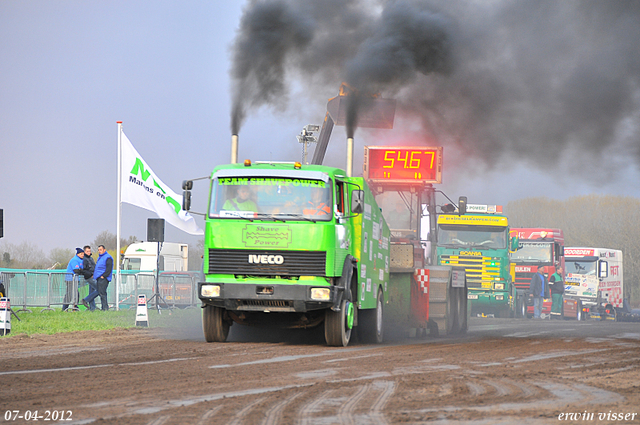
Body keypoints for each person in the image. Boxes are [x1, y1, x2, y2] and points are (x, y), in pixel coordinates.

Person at [86, 245, 113, 311]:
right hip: (98, 278)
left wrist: (104, 276)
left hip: (104, 278)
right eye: (98, 250)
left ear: (104, 250)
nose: (99, 251)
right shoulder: (100, 258)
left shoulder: (108, 257)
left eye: (100, 250)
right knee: (101, 293)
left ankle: (104, 308)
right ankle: (104, 307)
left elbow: (109, 269)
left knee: (102, 293)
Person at [79, 246, 97, 311]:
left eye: (89, 251)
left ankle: (92, 308)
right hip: (89, 277)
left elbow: (94, 267)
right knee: (99, 289)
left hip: (94, 276)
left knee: (92, 292)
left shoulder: (91, 259)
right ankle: (86, 299)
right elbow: (84, 270)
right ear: (84, 252)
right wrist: (90, 274)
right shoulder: (84, 259)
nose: (89, 252)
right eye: (87, 251)